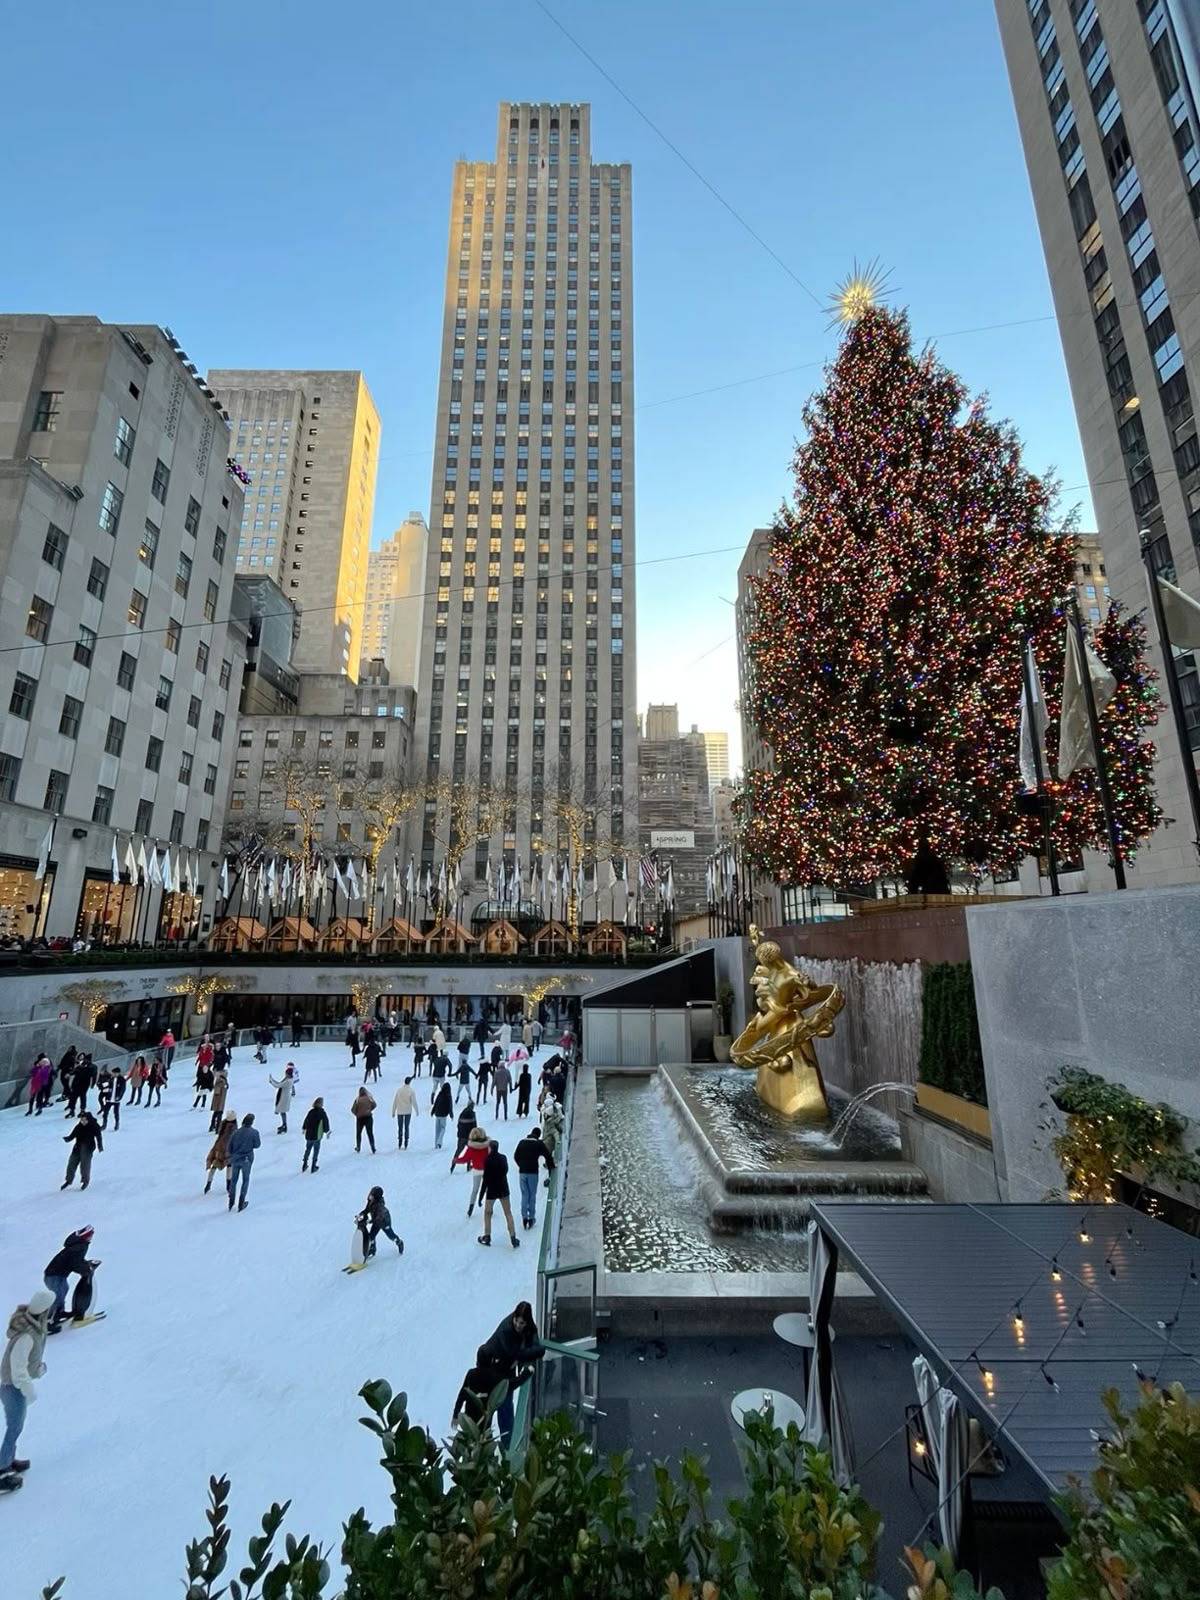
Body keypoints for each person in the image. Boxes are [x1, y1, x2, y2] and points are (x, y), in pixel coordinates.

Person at [0, 1287, 54, 1488]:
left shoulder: (33, 1326)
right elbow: (17, 1368)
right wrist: (28, 1389)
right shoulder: (26, 1336)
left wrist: (37, 1368)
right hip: (12, 1386)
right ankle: (2, 1469)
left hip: (13, 1385)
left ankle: (8, 1458)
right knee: (14, 1427)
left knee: (16, 1426)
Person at [479, 1302, 544, 1446]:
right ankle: (484, 1445)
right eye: (516, 1321)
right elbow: (517, 1353)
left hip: (506, 1370)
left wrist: (526, 1355)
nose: (518, 1325)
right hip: (491, 1371)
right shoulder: (505, 1331)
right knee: (487, 1412)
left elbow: (533, 1346)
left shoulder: (528, 1329)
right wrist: (526, 1355)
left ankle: (508, 1446)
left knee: (506, 1412)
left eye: (522, 1323)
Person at [43, 1228, 97, 1331]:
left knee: (63, 1290)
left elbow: (76, 1260)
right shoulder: (79, 1247)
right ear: (86, 1236)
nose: (92, 1236)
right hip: (54, 1276)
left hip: (57, 1275)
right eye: (90, 1234)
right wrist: (86, 1270)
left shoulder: (77, 1244)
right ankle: (50, 1322)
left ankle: (59, 1313)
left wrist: (86, 1265)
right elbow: (74, 1263)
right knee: (58, 1297)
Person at [478, 1140, 519, 1249]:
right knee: (508, 1213)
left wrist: (481, 1196)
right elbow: (505, 1171)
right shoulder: (503, 1158)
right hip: (503, 1189)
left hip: (491, 1190)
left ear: (490, 1148)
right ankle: (513, 1237)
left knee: (488, 1213)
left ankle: (487, 1236)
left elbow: (485, 1179)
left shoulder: (487, 1160)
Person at [513, 1127, 556, 1230]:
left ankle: (524, 1217)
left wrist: (521, 1165)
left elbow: (516, 1156)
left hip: (522, 1173)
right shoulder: (538, 1144)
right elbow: (547, 1155)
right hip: (533, 1172)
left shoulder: (522, 1142)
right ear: (538, 1135)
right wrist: (552, 1166)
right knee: (532, 1195)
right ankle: (531, 1218)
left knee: (524, 1194)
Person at [451, 1346, 496, 1431]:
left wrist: (456, 1414)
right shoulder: (493, 1376)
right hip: (485, 1417)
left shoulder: (471, 1374)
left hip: (470, 1417)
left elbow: (462, 1395)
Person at [355, 1186, 404, 1259]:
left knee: (390, 1235)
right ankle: (372, 1249)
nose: (370, 1195)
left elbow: (379, 1218)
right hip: (376, 1221)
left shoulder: (379, 1206)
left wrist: (369, 1221)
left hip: (384, 1221)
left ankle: (399, 1242)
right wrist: (361, 1214)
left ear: (376, 1196)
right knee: (371, 1236)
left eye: (372, 1194)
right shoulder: (371, 1201)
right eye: (371, 1193)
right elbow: (367, 1210)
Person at [453, 1125, 491, 1218]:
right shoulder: (487, 1147)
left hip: (477, 1170)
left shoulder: (471, 1148)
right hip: (487, 1170)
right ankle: (489, 1208)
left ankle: (471, 1208)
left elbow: (465, 1159)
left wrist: (456, 1160)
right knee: (488, 1190)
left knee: (475, 1190)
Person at [227, 1114, 261, 1211]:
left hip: (235, 1159)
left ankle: (231, 1201)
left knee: (234, 1180)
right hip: (247, 1159)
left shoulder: (236, 1132)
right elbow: (257, 1145)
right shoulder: (254, 1132)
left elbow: (229, 1147)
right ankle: (241, 1202)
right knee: (245, 1180)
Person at [61, 1112, 102, 1190]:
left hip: (88, 1148)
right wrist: (68, 1139)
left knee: (84, 1165)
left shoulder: (94, 1126)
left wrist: (100, 1146)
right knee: (71, 1164)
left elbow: (98, 1137)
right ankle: (68, 1180)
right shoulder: (78, 1126)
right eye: (81, 1120)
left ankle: (85, 1181)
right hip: (77, 1147)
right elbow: (72, 1135)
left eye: (84, 1120)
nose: (82, 1122)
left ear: (88, 1120)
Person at [204, 1112, 238, 1194]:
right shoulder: (233, 1127)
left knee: (214, 1165)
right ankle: (228, 1185)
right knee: (229, 1166)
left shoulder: (223, 1124)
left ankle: (208, 1183)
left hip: (218, 1147)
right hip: (228, 1150)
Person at [301, 1098, 330, 1172]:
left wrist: (304, 1128)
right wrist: (327, 1131)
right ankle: (313, 1166)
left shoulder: (311, 1112)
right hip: (317, 1135)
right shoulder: (322, 1112)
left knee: (308, 1149)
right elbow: (326, 1122)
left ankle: (304, 1164)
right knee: (316, 1150)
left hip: (309, 1134)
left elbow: (306, 1120)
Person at [450, 1098, 477, 1169]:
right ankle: (468, 1166)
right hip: (469, 1137)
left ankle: (453, 1164)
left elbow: (458, 1125)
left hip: (461, 1136)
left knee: (458, 1151)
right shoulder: (472, 1114)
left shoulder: (462, 1113)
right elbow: (474, 1127)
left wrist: (459, 1133)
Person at [391, 1077, 417, 1150]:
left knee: (400, 1127)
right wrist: (416, 1110)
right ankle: (406, 1142)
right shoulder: (411, 1091)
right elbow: (414, 1102)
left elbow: (395, 1101)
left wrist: (393, 1111)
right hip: (408, 1111)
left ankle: (400, 1141)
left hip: (400, 1111)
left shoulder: (399, 1090)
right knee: (406, 1127)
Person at [269, 1065, 296, 1133]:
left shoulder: (288, 1081)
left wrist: (271, 1081)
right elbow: (280, 1083)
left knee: (282, 1111)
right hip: (284, 1097)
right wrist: (272, 1079)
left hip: (284, 1098)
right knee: (282, 1112)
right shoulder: (288, 1079)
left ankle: (284, 1125)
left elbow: (278, 1085)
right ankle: (284, 1124)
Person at [98, 1065, 125, 1132]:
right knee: (105, 1113)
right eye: (113, 1073)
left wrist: (119, 1097)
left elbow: (122, 1089)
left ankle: (117, 1124)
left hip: (116, 1100)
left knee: (116, 1113)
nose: (113, 1074)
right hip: (109, 1099)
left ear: (118, 1073)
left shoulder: (122, 1080)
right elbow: (107, 1086)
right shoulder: (111, 1079)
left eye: (114, 1073)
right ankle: (104, 1125)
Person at [351, 1086, 377, 1153]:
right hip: (368, 1117)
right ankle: (373, 1147)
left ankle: (358, 1147)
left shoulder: (357, 1100)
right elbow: (374, 1105)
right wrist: (369, 1109)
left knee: (358, 1133)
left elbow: (353, 1110)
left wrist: (357, 1114)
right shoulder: (369, 1098)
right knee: (370, 1133)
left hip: (360, 1119)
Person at [430, 1078, 454, 1150]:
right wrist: (451, 1114)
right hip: (443, 1115)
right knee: (443, 1128)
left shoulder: (440, 1094)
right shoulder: (448, 1096)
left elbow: (436, 1103)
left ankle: (436, 1145)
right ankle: (439, 1142)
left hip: (437, 1113)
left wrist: (432, 1111)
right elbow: (450, 1106)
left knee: (437, 1130)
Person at [208, 1066, 229, 1134]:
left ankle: (213, 1126)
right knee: (218, 1114)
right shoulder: (220, 1081)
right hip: (218, 1102)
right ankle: (217, 1128)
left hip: (220, 1101)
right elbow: (217, 1091)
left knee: (216, 1114)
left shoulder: (223, 1081)